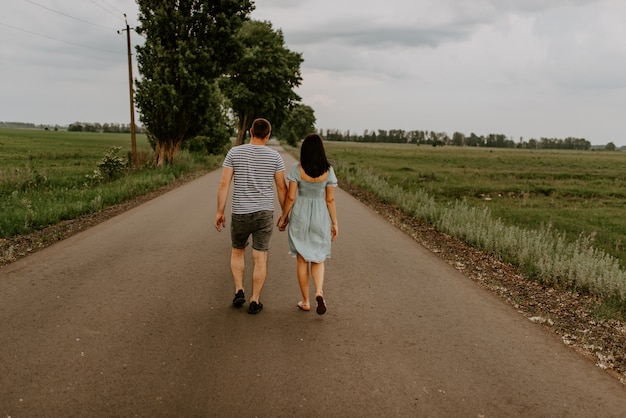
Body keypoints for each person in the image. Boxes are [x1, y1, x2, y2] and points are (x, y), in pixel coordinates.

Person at [215, 118, 287, 314]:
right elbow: (282, 188)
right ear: (268, 135)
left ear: (250, 132)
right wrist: (285, 214)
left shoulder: (234, 152)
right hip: (264, 213)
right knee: (260, 256)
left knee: (237, 251)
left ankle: (239, 290)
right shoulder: (275, 157)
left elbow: (224, 184)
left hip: (239, 211)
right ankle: (255, 300)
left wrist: (220, 211)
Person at [277, 133, 338, 315]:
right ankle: (319, 291)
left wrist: (283, 216)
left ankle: (306, 301)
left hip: (301, 215)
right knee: (318, 259)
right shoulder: (328, 171)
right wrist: (334, 223)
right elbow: (330, 200)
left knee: (302, 259)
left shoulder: (297, 169)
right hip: (320, 215)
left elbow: (291, 196)